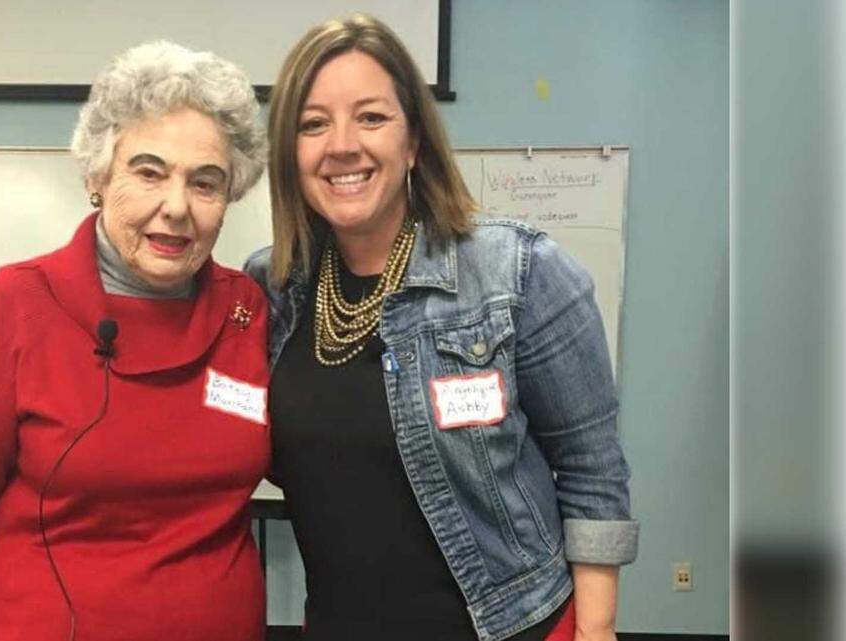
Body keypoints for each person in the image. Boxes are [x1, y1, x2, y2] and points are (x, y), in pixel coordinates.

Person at [245, 14, 638, 641]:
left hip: (511, 627)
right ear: (290, 154)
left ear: (413, 142)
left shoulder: (518, 270)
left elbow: (591, 466)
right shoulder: (271, 287)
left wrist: (597, 630)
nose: (342, 144)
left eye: (371, 117)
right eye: (313, 124)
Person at [0, 41, 270, 641]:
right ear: (98, 176)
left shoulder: (247, 310)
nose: (176, 207)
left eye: (205, 183)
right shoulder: (20, 302)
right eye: (148, 173)